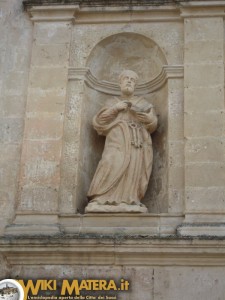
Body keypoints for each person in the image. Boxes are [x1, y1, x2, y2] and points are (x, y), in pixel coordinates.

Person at [85, 70, 158, 213]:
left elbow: (153, 122)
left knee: (133, 168)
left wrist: (149, 119)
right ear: (120, 82)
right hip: (116, 140)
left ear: (135, 85)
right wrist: (115, 109)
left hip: (136, 141)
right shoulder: (112, 102)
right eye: (126, 79)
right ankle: (101, 198)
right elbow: (99, 121)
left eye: (132, 80)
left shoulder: (143, 103)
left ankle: (130, 199)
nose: (129, 81)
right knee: (110, 162)